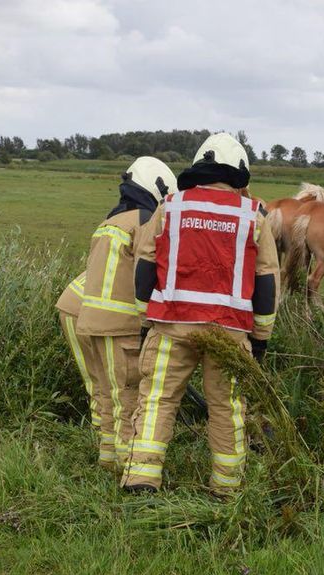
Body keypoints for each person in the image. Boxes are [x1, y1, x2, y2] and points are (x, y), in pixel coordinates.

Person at [120, 133, 279, 494]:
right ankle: (226, 488)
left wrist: (147, 322)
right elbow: (267, 283)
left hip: (172, 326)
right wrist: (261, 339)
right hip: (230, 332)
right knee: (227, 407)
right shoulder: (253, 216)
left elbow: (145, 269)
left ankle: (141, 477)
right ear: (240, 171)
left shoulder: (170, 206)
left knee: (158, 398)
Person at [76, 157, 177, 469]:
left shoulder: (110, 222)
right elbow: (149, 271)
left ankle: (107, 461)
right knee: (128, 399)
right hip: (121, 326)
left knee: (107, 398)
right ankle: (126, 467)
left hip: (89, 324)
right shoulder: (144, 221)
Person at [55, 272, 103, 448]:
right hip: (91, 311)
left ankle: (103, 442)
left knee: (97, 381)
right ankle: (109, 443)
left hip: (71, 305)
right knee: (114, 381)